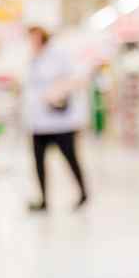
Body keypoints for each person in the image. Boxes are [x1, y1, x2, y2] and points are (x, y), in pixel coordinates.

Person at [24, 26, 88, 212]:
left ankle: (83, 193)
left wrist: (57, 91)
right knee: (38, 162)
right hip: (38, 122)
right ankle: (44, 200)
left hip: (61, 122)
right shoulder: (33, 58)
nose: (32, 41)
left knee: (70, 158)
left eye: (34, 37)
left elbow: (76, 78)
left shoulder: (59, 54)